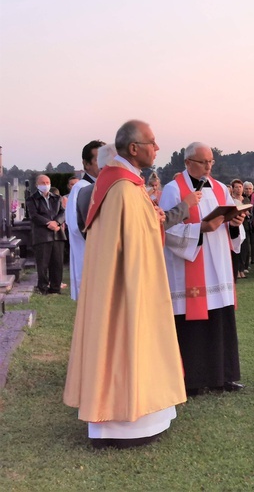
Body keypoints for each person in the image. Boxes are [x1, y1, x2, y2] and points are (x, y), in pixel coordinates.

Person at [63, 119, 186, 448]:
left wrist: (154, 219)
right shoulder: (123, 189)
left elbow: (137, 233)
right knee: (126, 339)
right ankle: (124, 421)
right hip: (128, 286)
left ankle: (132, 417)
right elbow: (136, 246)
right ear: (134, 149)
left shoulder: (121, 185)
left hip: (120, 280)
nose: (157, 148)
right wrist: (155, 222)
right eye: (152, 142)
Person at [159, 142, 247, 397]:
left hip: (217, 265)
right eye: (203, 162)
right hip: (190, 267)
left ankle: (224, 377)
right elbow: (165, 229)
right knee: (193, 327)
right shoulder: (173, 189)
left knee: (220, 320)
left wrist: (235, 223)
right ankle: (193, 381)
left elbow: (231, 227)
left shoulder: (220, 188)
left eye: (211, 162)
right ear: (187, 163)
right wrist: (201, 229)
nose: (208, 166)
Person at [66, 141, 105, 300]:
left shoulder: (104, 186)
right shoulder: (81, 188)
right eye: (98, 159)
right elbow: (76, 226)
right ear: (86, 164)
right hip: (90, 254)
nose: (104, 164)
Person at [26, 174, 67, 295]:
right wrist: (48, 223)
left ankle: (55, 287)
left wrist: (57, 222)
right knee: (43, 263)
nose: (46, 185)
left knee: (57, 263)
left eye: (47, 182)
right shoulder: (32, 199)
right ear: (37, 185)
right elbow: (34, 215)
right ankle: (43, 287)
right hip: (42, 235)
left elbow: (62, 212)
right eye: (43, 183)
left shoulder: (56, 198)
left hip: (57, 234)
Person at [230, 179, 249, 279]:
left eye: (240, 187)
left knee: (244, 249)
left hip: (245, 225)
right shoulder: (230, 200)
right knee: (236, 248)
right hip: (235, 225)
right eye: (236, 187)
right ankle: (236, 270)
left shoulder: (246, 199)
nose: (238, 189)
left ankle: (242, 269)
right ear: (233, 189)